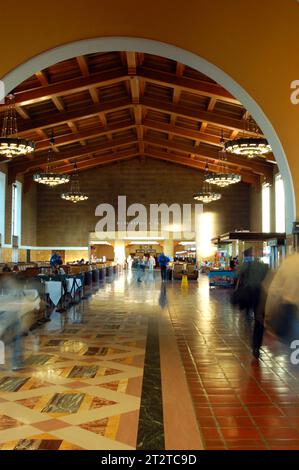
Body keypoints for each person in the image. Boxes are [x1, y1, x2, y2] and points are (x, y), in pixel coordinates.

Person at [235, 258, 269, 358]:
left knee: (249, 310)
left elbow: (237, 274)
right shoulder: (265, 268)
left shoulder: (246, 265)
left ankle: (248, 321)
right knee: (259, 320)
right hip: (260, 294)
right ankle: (256, 345)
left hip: (248, 292)